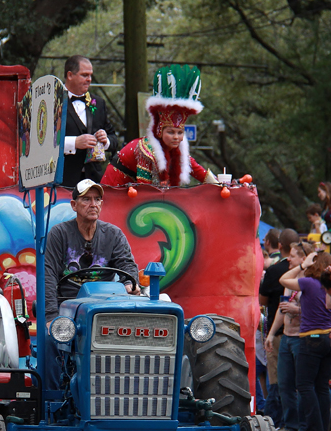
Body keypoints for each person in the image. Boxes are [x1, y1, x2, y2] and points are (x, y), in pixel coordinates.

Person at [43, 180, 140, 388]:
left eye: (97, 199)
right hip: (68, 308)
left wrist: (130, 283)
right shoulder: (59, 234)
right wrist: (51, 317)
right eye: (86, 199)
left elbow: (127, 265)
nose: (93, 204)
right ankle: (51, 398)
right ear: (74, 205)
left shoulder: (113, 234)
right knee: (50, 339)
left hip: (105, 306)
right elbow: (48, 275)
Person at [101, 65, 218, 188]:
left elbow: (196, 169)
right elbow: (145, 189)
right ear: (160, 132)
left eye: (180, 132)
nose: (176, 137)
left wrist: (219, 184)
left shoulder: (176, 150)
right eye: (171, 132)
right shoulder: (146, 151)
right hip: (115, 187)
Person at [279, 251, 331, 431]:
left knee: (304, 385)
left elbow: (284, 279)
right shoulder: (328, 288)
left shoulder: (309, 283)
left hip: (311, 338)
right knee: (321, 387)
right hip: (329, 338)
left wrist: (301, 266)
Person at [264, 240, 308, 431]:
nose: (288, 259)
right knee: (284, 383)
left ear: (303, 258)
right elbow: (282, 310)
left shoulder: (309, 280)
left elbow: (321, 310)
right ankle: (290, 425)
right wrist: (272, 333)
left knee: (302, 384)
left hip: (302, 338)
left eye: (293, 255)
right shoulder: (289, 283)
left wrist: (297, 309)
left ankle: (304, 426)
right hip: (287, 336)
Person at [258, 229, 300, 429]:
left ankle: (278, 420)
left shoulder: (276, 271)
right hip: (290, 331)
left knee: (277, 378)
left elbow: (262, 300)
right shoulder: (306, 271)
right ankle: (292, 422)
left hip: (285, 332)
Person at [59, 56, 120, 186]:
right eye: (84, 75)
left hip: (93, 181)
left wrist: (105, 141)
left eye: (90, 75)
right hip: (62, 180)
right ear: (70, 75)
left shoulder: (98, 103)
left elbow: (114, 139)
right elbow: (43, 143)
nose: (89, 80)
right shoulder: (54, 102)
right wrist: (74, 142)